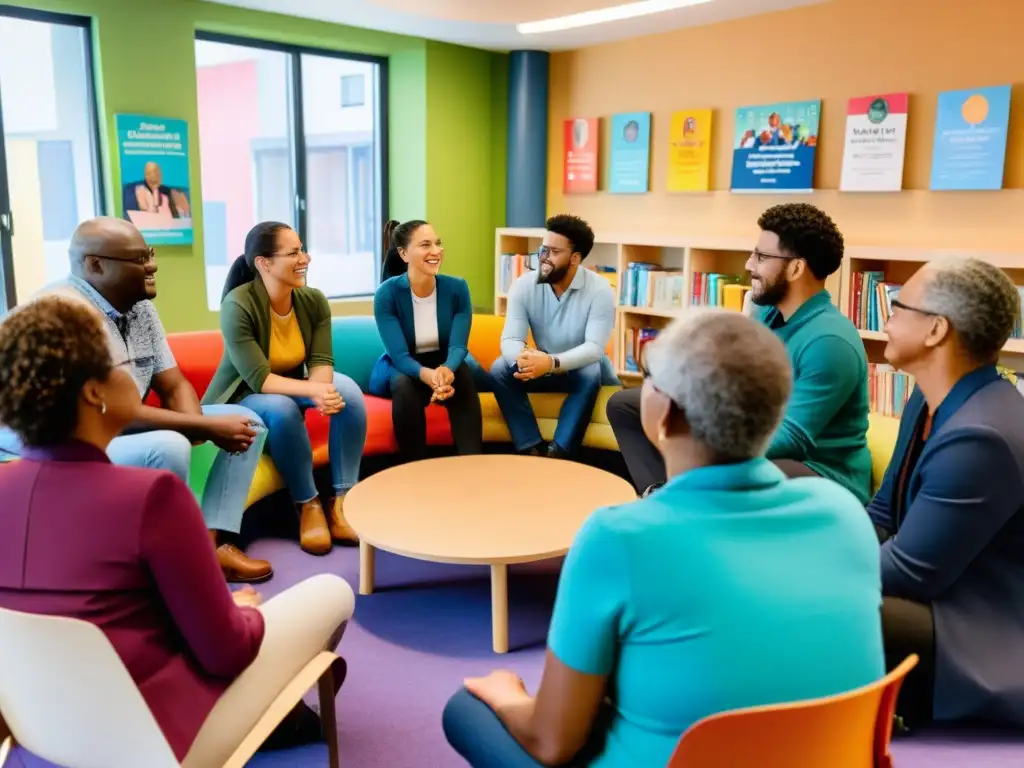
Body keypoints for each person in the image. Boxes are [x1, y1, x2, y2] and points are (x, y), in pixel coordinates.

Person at [444, 308, 885, 768]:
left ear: (666, 415)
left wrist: (509, 697)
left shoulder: (617, 537)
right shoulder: (844, 515)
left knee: (469, 708)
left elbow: (551, 742)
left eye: (649, 377)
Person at [0, 295, 355, 765]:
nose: (129, 375)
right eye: (115, 366)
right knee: (333, 590)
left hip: (41, 732)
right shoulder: (151, 497)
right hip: (159, 743)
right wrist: (242, 613)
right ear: (94, 393)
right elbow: (225, 654)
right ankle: (282, 712)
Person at [0, 217, 271, 583]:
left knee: (247, 421)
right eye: (139, 258)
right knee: (168, 445)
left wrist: (199, 430)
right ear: (95, 264)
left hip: (114, 427)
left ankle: (206, 546)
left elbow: (173, 383)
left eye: (150, 254)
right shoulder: (63, 314)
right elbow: (105, 412)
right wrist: (200, 425)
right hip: (58, 440)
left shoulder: (139, 306)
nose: (152, 265)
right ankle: (168, 565)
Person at [608, 202, 872, 503]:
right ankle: (667, 497)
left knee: (754, 468)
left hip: (818, 470)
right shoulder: (764, 311)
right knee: (627, 405)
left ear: (797, 267)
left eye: (760, 257)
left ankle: (687, 499)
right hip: (754, 433)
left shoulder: (830, 342)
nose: (749, 265)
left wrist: (705, 442)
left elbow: (792, 438)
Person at [869, 257, 1024, 729]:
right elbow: (884, 511)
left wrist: (802, 566)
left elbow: (911, 574)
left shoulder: (983, 436)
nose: (888, 321)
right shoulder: (929, 397)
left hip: (984, 627)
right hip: (944, 594)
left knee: (823, 603)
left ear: (936, 330)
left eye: (897, 308)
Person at [205, 221, 367, 555]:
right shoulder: (238, 305)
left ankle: (342, 500)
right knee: (281, 406)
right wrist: (312, 393)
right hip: (244, 396)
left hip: (289, 386)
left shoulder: (312, 300)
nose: (305, 258)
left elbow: (321, 359)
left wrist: (322, 391)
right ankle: (307, 504)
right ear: (263, 263)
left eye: (302, 249)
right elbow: (258, 379)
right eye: (293, 252)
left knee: (348, 392)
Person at [491, 214, 617, 459]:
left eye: (554, 252)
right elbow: (510, 339)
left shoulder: (600, 290)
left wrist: (551, 362)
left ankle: (560, 452)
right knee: (500, 368)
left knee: (591, 369)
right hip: (542, 366)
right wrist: (523, 360)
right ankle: (531, 447)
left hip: (580, 369)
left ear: (575, 258)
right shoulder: (523, 285)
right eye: (543, 249)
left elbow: (594, 348)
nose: (544, 258)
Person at [370, 219, 482, 460]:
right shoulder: (386, 294)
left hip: (443, 363)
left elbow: (458, 346)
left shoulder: (457, 288)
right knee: (403, 383)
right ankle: (415, 466)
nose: (435, 251)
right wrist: (429, 376)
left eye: (438, 243)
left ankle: (472, 462)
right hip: (403, 367)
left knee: (462, 373)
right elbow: (399, 355)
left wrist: (446, 370)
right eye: (425, 245)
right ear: (403, 253)